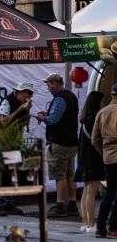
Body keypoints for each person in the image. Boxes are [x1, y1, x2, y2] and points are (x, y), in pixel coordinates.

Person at [36, 72, 80, 218]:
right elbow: (63, 116)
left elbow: (53, 120)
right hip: (72, 142)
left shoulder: (60, 98)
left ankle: (60, 205)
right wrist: (47, 113)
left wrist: (42, 118)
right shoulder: (71, 96)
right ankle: (73, 205)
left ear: (55, 84)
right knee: (70, 174)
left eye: (49, 85)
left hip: (60, 143)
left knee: (59, 175)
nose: (48, 88)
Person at [0, 81, 34, 216]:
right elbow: (4, 122)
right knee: (3, 171)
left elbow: (26, 124)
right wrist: (19, 110)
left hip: (14, 141)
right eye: (26, 93)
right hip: (3, 141)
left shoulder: (23, 105)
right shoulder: (8, 101)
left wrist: (27, 110)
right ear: (20, 92)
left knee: (12, 172)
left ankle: (9, 203)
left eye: (30, 94)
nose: (28, 96)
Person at [75, 90, 105, 232]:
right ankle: (91, 223)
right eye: (102, 101)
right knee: (91, 191)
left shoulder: (85, 118)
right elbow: (96, 140)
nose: (103, 104)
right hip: (92, 158)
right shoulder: (94, 119)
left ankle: (85, 222)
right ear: (97, 103)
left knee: (87, 191)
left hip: (84, 158)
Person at [91, 82, 117, 238]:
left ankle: (100, 228)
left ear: (112, 94)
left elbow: (94, 139)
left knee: (109, 193)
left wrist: (104, 152)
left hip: (108, 156)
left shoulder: (102, 112)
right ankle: (113, 228)